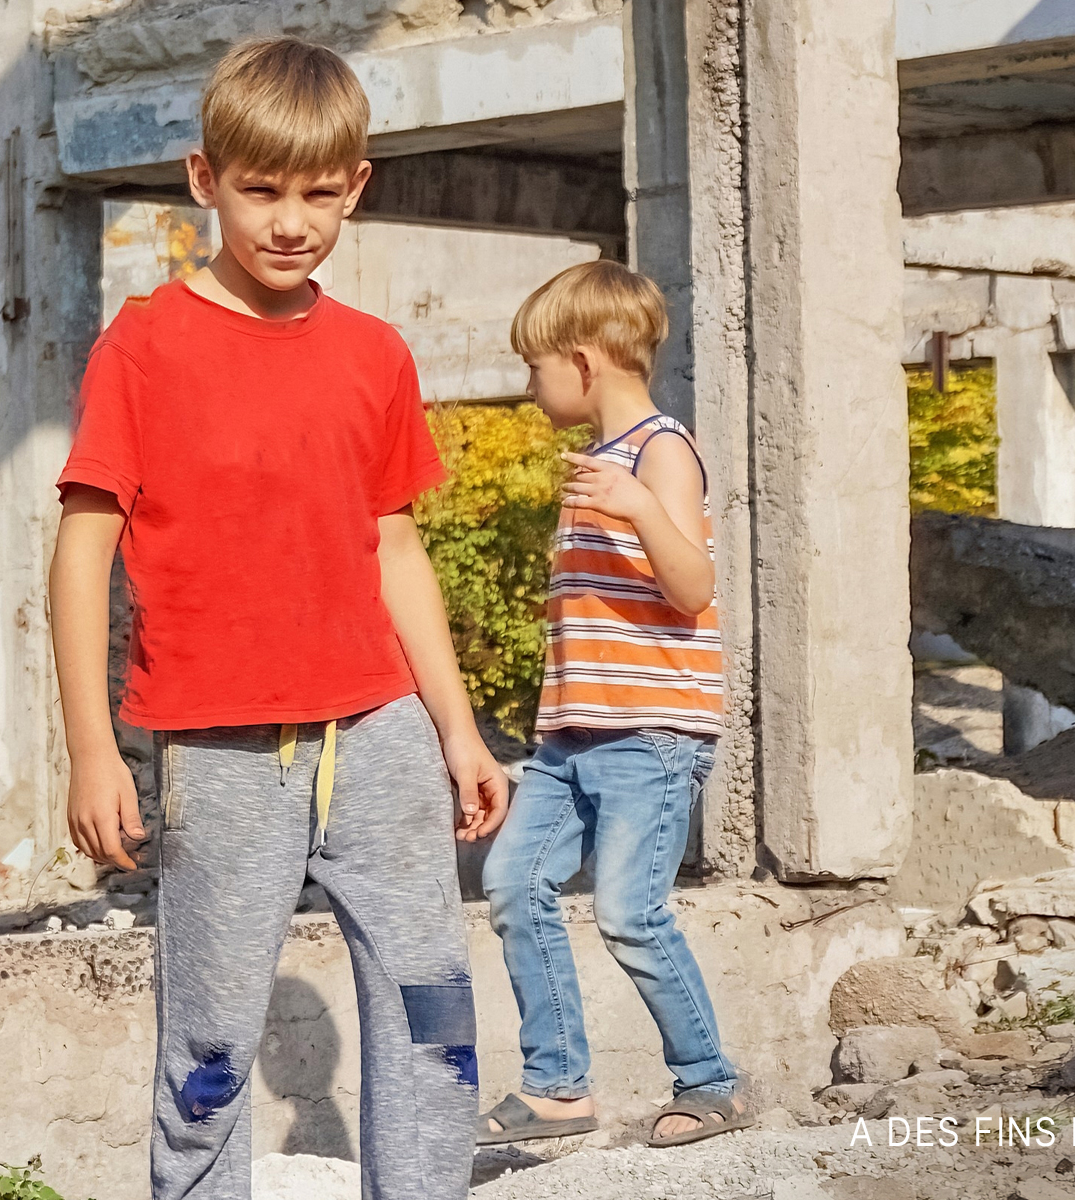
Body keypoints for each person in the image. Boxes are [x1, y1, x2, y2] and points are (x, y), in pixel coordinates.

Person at [47, 36, 509, 1200]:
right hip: (220, 752)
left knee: (435, 1016)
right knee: (207, 1046)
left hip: (384, 738)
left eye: (318, 193)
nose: (289, 221)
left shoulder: (374, 354)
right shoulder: (145, 348)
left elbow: (394, 546)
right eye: (261, 190)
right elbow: (80, 551)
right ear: (206, 180)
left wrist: (459, 730)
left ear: (356, 186)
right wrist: (94, 749)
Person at [474, 260, 750, 1150]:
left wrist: (635, 504)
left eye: (536, 367)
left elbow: (693, 586)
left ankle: (709, 1083)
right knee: (514, 881)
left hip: (651, 735)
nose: (529, 385)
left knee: (631, 909)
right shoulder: (595, 462)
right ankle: (557, 1088)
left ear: (584, 363)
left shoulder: (658, 451)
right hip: (571, 737)